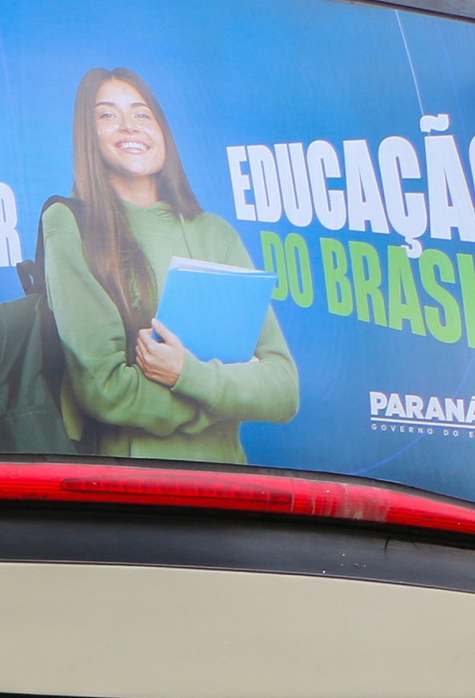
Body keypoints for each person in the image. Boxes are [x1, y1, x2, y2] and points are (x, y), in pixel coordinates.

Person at [39, 67, 298, 460]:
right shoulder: (69, 222)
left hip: (228, 489)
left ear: (163, 131)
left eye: (142, 114)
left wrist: (187, 375)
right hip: (133, 490)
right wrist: (222, 399)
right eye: (107, 115)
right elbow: (104, 390)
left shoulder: (216, 233)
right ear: (87, 135)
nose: (129, 126)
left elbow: (283, 389)